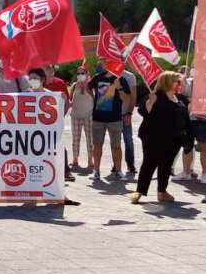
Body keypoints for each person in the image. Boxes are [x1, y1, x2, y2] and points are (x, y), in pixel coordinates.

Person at [130, 72, 191, 204]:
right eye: (177, 82)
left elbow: (185, 119)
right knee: (149, 163)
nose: (179, 85)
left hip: (174, 139)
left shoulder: (180, 99)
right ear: (168, 82)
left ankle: (162, 191)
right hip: (153, 137)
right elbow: (143, 112)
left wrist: (187, 138)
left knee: (166, 165)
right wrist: (150, 103)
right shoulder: (156, 95)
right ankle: (139, 191)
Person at [26, 67, 81, 205]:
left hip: (48, 139)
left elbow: (59, 117)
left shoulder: (51, 95)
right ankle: (31, 195)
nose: (32, 81)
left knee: (53, 167)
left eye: (35, 78)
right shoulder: (24, 95)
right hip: (30, 139)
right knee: (32, 167)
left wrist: (62, 102)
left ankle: (59, 195)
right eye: (30, 78)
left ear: (42, 80)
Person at [88, 64, 131, 181]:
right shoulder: (97, 77)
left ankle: (118, 171)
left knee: (116, 147)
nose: (105, 64)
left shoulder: (121, 79)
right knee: (97, 146)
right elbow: (88, 87)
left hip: (115, 119)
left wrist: (119, 87)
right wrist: (93, 99)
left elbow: (126, 99)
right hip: (98, 118)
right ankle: (96, 171)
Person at [69, 66, 94, 170]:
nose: (80, 75)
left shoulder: (91, 85)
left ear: (87, 74)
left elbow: (94, 98)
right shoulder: (74, 85)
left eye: (82, 73)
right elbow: (70, 99)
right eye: (78, 73)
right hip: (75, 116)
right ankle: (75, 159)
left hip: (88, 116)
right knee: (75, 138)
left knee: (90, 139)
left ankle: (90, 160)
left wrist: (86, 88)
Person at [119, 68, 138, 178]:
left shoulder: (130, 76)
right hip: (113, 115)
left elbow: (133, 97)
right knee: (115, 142)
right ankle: (116, 165)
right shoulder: (109, 74)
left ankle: (130, 165)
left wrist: (129, 113)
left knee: (128, 140)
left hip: (125, 113)